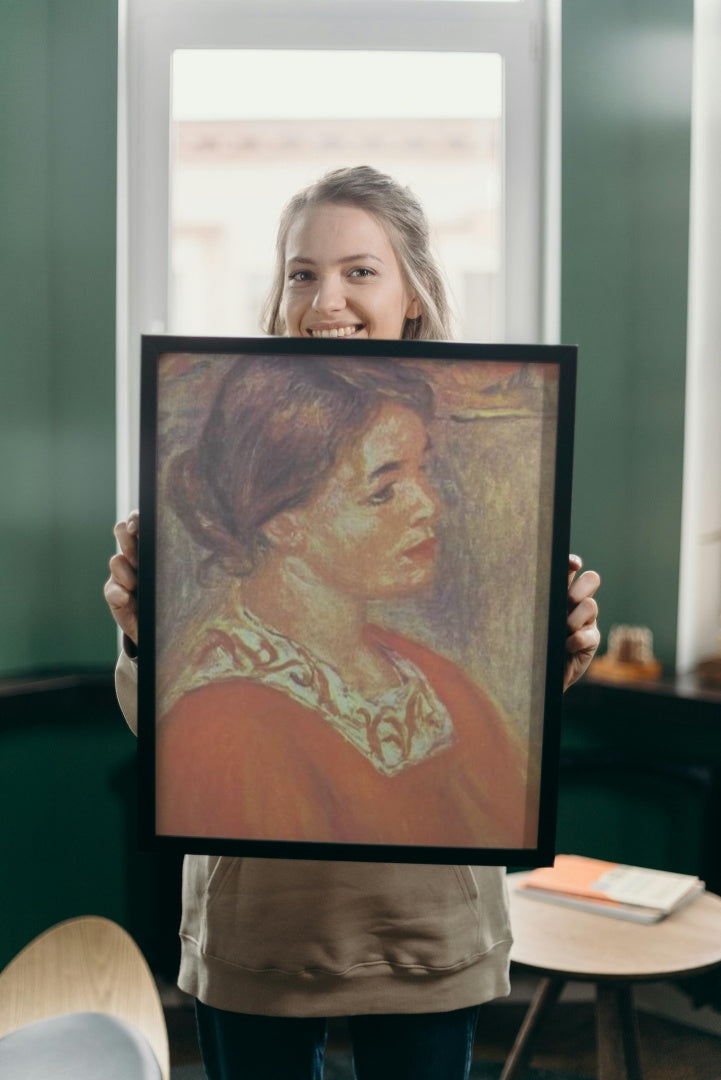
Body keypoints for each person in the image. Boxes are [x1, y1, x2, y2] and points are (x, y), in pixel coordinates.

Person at [105, 165, 601, 1080]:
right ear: (282, 517)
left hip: (429, 938)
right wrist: (144, 635)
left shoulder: (432, 677)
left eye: (359, 271)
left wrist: (554, 657)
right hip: (265, 940)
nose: (324, 297)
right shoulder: (230, 704)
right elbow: (174, 742)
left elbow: (502, 776)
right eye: (301, 272)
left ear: (412, 290)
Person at [155, 354, 531, 849]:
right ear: (281, 521)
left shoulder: (437, 684)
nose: (428, 505)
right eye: (383, 491)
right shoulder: (223, 728)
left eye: (422, 471)